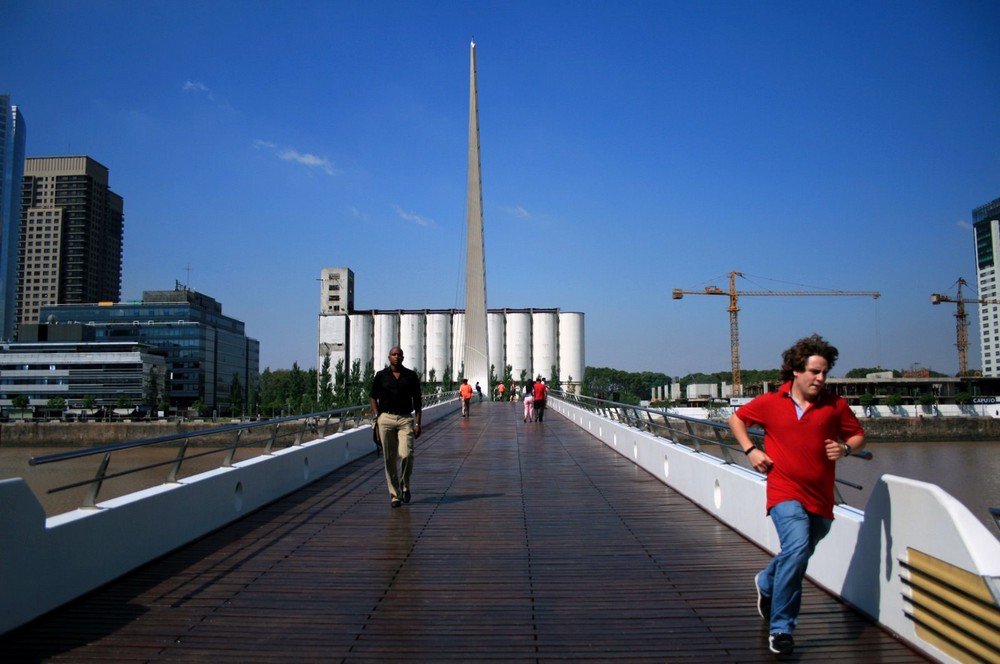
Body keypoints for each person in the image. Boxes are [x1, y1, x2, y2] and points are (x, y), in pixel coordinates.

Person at [728, 334, 865, 656]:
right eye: (815, 371)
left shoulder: (835, 406)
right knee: (799, 547)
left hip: (821, 497)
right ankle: (782, 627)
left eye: (825, 372)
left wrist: (845, 448)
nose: (821, 378)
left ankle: (766, 580)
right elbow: (737, 418)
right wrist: (751, 450)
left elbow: (858, 435)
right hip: (784, 490)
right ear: (795, 371)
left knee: (799, 552)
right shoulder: (771, 403)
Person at [369, 347, 422, 509]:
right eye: (394, 354)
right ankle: (395, 495)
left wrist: (418, 423)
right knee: (389, 458)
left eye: (399, 354)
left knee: (407, 454)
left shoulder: (411, 376)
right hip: (386, 418)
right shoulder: (381, 376)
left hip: (405, 418)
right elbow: (373, 396)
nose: (396, 357)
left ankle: (405, 484)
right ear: (389, 357)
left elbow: (418, 401)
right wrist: (378, 416)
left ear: (403, 357)